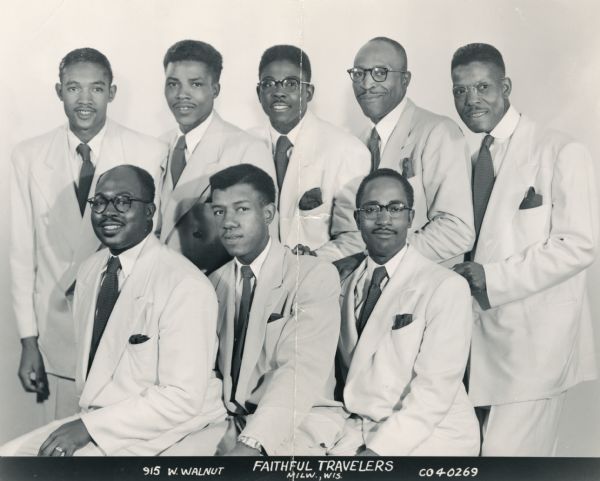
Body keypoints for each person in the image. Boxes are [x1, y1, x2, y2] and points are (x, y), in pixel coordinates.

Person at [0, 165, 225, 456]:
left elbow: (181, 399)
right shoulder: (91, 271)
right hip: (103, 421)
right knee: (8, 456)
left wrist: (89, 429)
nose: (108, 211)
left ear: (149, 211)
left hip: (166, 428)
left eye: (123, 201)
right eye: (100, 202)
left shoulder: (184, 284)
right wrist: (88, 424)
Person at [450, 43, 598, 455]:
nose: (471, 100)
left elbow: (578, 245)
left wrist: (491, 278)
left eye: (482, 86)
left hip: (535, 346)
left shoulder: (560, 150)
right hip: (470, 343)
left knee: (509, 462)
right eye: (460, 90)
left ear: (506, 86)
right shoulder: (460, 154)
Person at [10, 47, 165, 422]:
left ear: (112, 93)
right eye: (73, 88)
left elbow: (153, 244)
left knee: (121, 442)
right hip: (57, 333)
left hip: (124, 324)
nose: (84, 100)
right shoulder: (27, 156)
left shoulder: (148, 150)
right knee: (61, 448)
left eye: (96, 89)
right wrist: (28, 340)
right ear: (58, 91)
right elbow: (20, 254)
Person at [174, 164, 345, 455]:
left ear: (268, 214)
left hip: (297, 421)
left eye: (241, 209)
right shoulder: (211, 283)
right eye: (219, 212)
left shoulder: (312, 275)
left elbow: (299, 371)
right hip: (227, 419)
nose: (228, 222)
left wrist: (253, 443)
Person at [331, 168, 479, 456]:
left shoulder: (446, 286)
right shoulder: (343, 282)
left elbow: (433, 393)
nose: (384, 219)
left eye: (395, 208)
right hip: (360, 428)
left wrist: (376, 453)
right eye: (372, 209)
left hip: (434, 438)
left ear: (411, 218)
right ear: (357, 218)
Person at [347, 37, 474, 263]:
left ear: (405, 80)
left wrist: (372, 259)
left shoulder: (438, 132)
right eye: (358, 73)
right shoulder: (357, 142)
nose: (366, 84)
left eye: (380, 72)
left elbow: (456, 231)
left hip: (424, 287)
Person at [157, 39, 275, 273]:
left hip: (214, 285)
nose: (182, 95)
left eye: (196, 84)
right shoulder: (158, 146)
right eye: (173, 84)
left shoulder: (246, 149)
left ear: (215, 89)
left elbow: (261, 241)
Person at [249, 45, 370, 261]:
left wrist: (307, 263)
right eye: (269, 84)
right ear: (259, 93)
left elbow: (355, 238)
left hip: (315, 279)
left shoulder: (347, 150)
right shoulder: (243, 146)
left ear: (309, 92)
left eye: (291, 84)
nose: (279, 92)